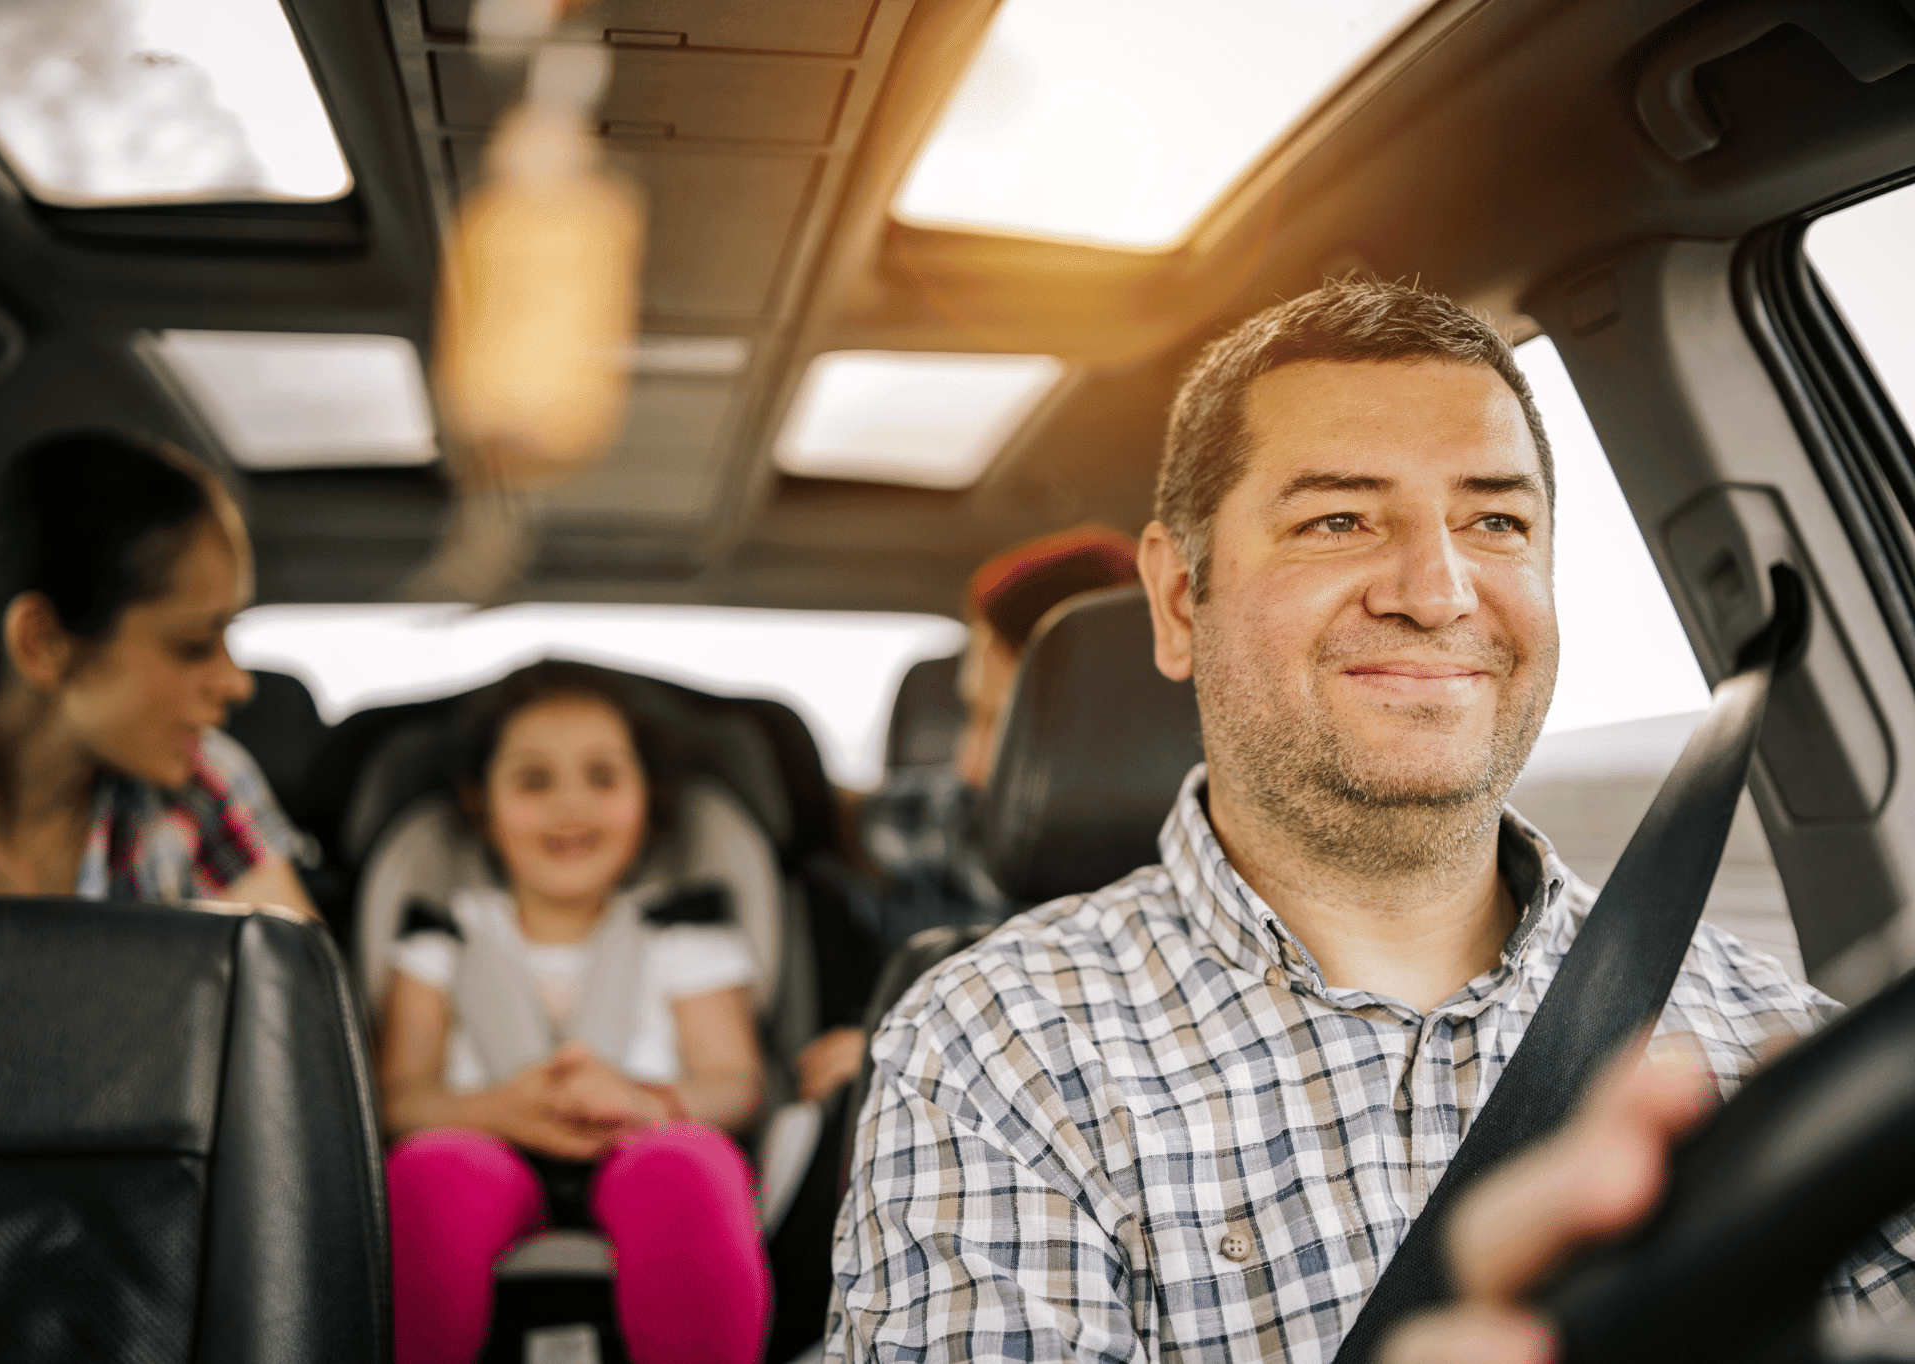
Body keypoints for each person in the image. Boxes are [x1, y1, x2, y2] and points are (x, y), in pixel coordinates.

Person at [826, 280, 1915, 1358]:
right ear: (1174, 601)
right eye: (1337, 518)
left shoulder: (1773, 1038)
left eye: (1494, 519)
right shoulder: (995, 1047)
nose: (1435, 591)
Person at [378, 660, 771, 1364]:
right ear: (480, 805)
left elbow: (733, 1079)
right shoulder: (443, 934)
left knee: (691, 1165)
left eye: (603, 777)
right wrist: (501, 1110)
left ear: (648, 799)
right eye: (533, 780)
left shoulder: (682, 933)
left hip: (642, 1139)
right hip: (485, 1136)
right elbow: (401, 1095)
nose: (570, 806)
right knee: (427, 1175)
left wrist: (645, 1103)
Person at [0, 429, 314, 913]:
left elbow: (294, 983)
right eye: (194, 644)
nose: (239, 683)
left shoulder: (202, 794)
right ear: (43, 642)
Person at [792, 527, 1140, 1106]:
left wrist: (916, 1045)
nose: (968, 763)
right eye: (967, 715)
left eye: (999, 725)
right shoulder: (948, 819)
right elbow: (836, 815)